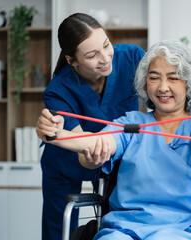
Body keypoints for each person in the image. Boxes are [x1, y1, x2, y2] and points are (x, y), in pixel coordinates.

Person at [36, 40, 191, 240]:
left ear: (189, 83)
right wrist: (57, 135)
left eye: (173, 78)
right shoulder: (133, 122)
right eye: (154, 77)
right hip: (124, 228)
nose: (162, 87)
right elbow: (97, 142)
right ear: (145, 82)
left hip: (184, 229)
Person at [39, 13, 146, 240]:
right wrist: (54, 133)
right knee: (60, 230)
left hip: (114, 157)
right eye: (92, 55)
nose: (106, 58)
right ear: (72, 60)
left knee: (117, 222)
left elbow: (176, 90)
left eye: (106, 45)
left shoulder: (133, 58)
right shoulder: (58, 90)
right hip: (65, 163)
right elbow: (81, 144)